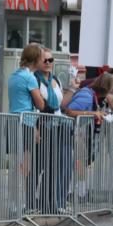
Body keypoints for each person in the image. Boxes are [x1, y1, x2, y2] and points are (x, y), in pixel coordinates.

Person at [63, 72, 113, 204]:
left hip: (75, 132)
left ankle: (79, 192)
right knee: (77, 163)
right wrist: (92, 113)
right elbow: (70, 111)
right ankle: (75, 193)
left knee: (81, 162)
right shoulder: (87, 95)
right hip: (69, 132)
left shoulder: (90, 95)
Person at [8, 44, 48, 211]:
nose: (44, 61)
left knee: (15, 164)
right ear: (36, 59)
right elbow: (40, 104)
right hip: (25, 123)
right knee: (25, 165)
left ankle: (13, 203)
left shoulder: (14, 75)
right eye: (42, 58)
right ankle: (21, 204)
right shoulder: (29, 77)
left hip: (13, 122)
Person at [34, 47, 73, 213]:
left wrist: (72, 89)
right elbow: (36, 106)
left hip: (59, 124)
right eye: (45, 60)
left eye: (51, 60)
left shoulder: (55, 79)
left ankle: (56, 202)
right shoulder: (35, 79)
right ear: (37, 61)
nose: (48, 63)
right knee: (46, 165)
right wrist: (36, 128)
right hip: (44, 125)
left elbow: (61, 104)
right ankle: (44, 203)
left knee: (60, 165)